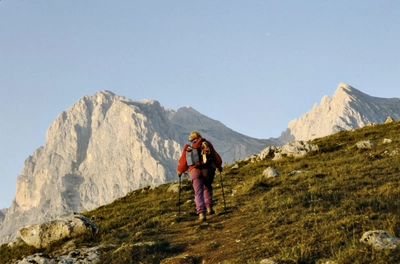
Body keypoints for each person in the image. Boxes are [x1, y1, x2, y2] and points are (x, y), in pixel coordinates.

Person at [177, 131, 223, 222]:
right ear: (199, 136)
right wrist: (219, 166)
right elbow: (216, 157)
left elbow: (183, 162)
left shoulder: (188, 146)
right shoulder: (206, 143)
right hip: (208, 170)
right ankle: (209, 207)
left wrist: (180, 171)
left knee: (198, 192)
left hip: (195, 171)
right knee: (207, 187)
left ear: (191, 138)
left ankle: (201, 213)